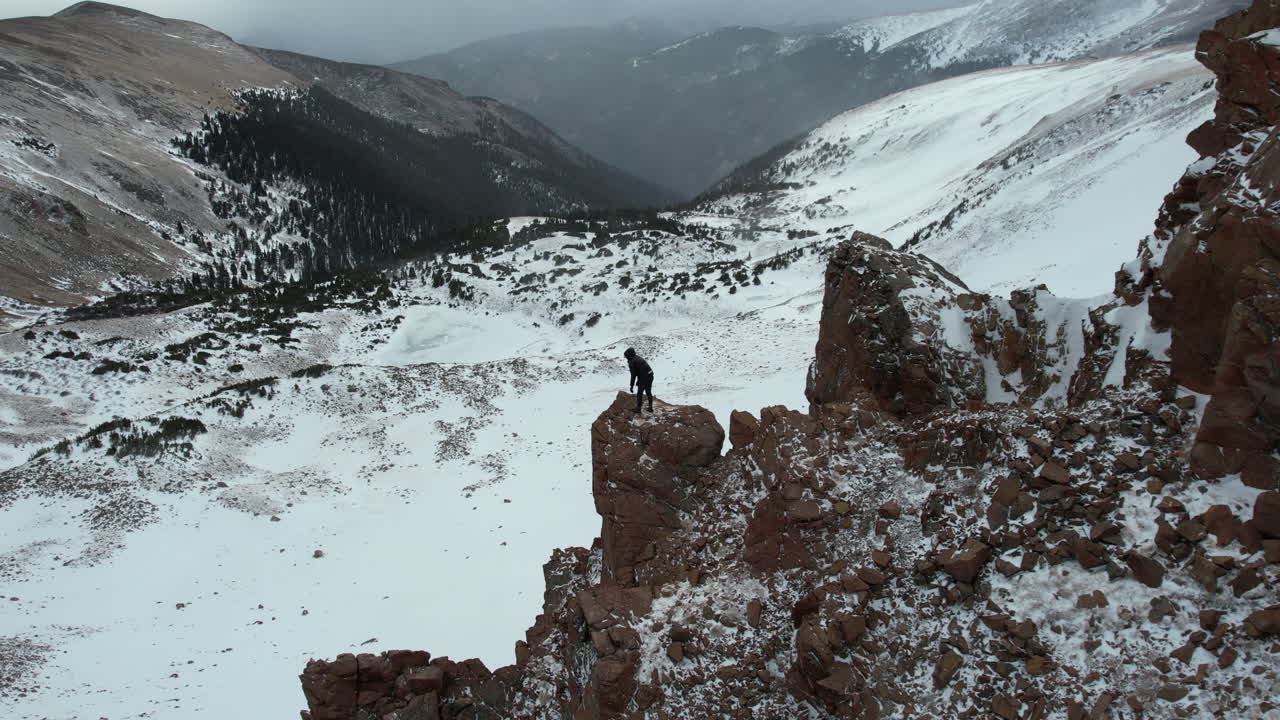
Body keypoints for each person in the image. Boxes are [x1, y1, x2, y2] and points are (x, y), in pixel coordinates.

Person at [624, 347, 654, 413]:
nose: (626, 358)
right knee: (648, 392)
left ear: (629, 356)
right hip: (650, 375)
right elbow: (641, 371)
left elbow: (633, 375)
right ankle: (650, 407)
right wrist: (639, 381)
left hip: (645, 377)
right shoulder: (637, 357)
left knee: (639, 394)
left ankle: (638, 409)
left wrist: (631, 386)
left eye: (626, 356)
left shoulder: (632, 362)